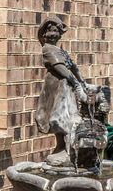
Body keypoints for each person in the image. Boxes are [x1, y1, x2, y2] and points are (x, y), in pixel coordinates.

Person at [35, 17, 96, 166]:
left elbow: (73, 66)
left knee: (67, 115)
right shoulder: (48, 49)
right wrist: (76, 83)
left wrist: (81, 81)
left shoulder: (61, 50)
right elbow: (60, 68)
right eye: (50, 31)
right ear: (44, 35)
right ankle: (61, 147)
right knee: (58, 116)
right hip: (55, 87)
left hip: (65, 86)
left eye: (56, 31)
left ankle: (68, 149)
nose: (53, 34)